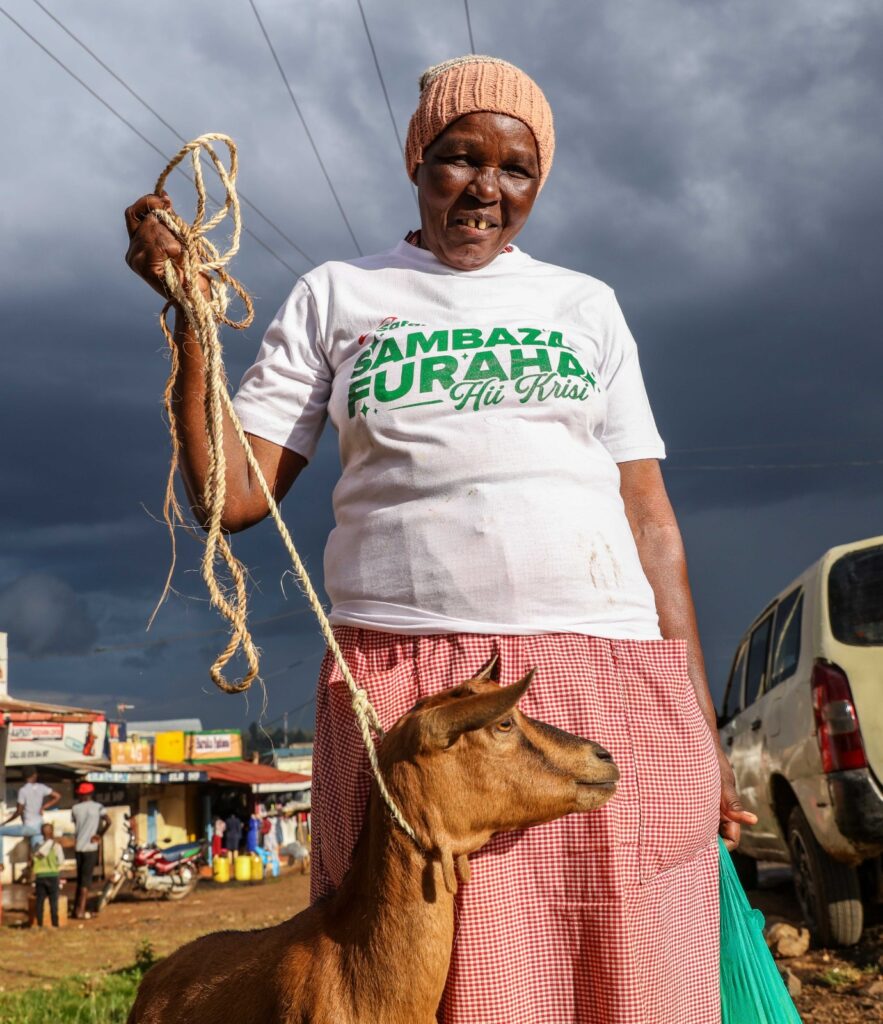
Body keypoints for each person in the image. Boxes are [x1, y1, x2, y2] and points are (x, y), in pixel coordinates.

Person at [124, 54, 757, 1024]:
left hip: (607, 674)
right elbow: (232, 493)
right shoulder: (340, 296)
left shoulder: (583, 306)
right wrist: (190, 317)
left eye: (516, 171)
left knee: (629, 966)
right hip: (416, 704)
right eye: (460, 159)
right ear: (418, 155)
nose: (485, 190)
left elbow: (650, 519)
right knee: (413, 976)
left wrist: (694, 723)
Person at [70, 781, 110, 919]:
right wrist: (99, 834)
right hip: (91, 847)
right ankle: (81, 911)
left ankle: (76, 909)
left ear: (81, 794)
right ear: (91, 794)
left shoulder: (75, 808)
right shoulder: (98, 807)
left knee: (80, 879)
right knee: (86, 881)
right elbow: (108, 821)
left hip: (79, 847)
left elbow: (76, 825)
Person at [0, 768, 61, 852]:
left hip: (28, 827)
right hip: (39, 827)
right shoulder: (41, 787)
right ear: (35, 775)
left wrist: (5, 822)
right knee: (37, 853)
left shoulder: (23, 790)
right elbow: (57, 796)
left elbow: (19, 811)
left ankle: (0, 863)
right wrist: (44, 807)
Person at [32, 822, 65, 928]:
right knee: (53, 902)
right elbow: (60, 861)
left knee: (39, 901)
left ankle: (40, 924)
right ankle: (55, 924)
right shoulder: (56, 846)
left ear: (41, 833)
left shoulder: (37, 846)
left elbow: (33, 859)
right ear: (52, 832)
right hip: (53, 875)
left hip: (40, 876)